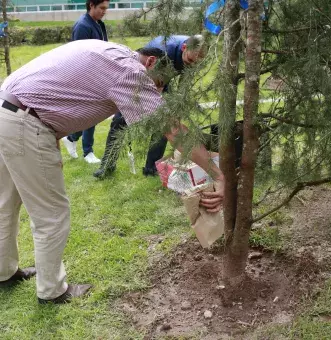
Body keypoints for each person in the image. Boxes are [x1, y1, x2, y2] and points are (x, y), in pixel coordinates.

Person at [0, 39, 225, 304]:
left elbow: (57, 92)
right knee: (51, 214)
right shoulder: (130, 72)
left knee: (5, 202)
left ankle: (3, 272)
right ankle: (52, 291)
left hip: (9, 109)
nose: (158, 91)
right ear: (151, 62)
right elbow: (172, 129)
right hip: (26, 122)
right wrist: (220, 175)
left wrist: (52, 138)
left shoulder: (115, 53)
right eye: (160, 83)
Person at [93, 34, 207, 178]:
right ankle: (107, 166)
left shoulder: (193, 56)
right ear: (184, 48)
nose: (191, 65)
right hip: (143, 76)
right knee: (120, 120)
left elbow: (185, 79)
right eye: (189, 60)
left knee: (165, 123)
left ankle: (151, 168)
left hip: (164, 81)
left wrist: (178, 103)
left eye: (195, 64)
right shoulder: (164, 51)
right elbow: (151, 79)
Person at [62, 0, 109, 164]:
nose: (104, 11)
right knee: (92, 113)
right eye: (101, 8)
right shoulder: (82, 26)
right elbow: (79, 56)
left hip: (98, 74)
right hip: (86, 77)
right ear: (91, 5)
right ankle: (87, 151)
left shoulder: (99, 24)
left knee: (95, 113)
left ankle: (72, 137)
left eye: (106, 8)